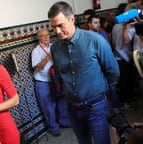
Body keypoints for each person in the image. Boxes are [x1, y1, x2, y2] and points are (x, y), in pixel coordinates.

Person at [48, 1, 120, 144]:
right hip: (72, 109)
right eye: (53, 27)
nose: (57, 31)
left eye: (60, 25)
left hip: (96, 107)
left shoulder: (95, 40)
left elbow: (113, 71)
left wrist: (103, 92)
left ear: (72, 19)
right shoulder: (55, 48)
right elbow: (59, 75)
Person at [31, 29, 71, 137]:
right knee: (49, 107)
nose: (46, 38)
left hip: (56, 80)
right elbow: (37, 68)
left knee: (61, 102)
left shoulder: (54, 46)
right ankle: (53, 127)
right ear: (38, 38)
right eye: (43, 36)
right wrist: (48, 57)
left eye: (47, 35)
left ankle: (64, 121)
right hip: (43, 82)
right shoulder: (36, 51)